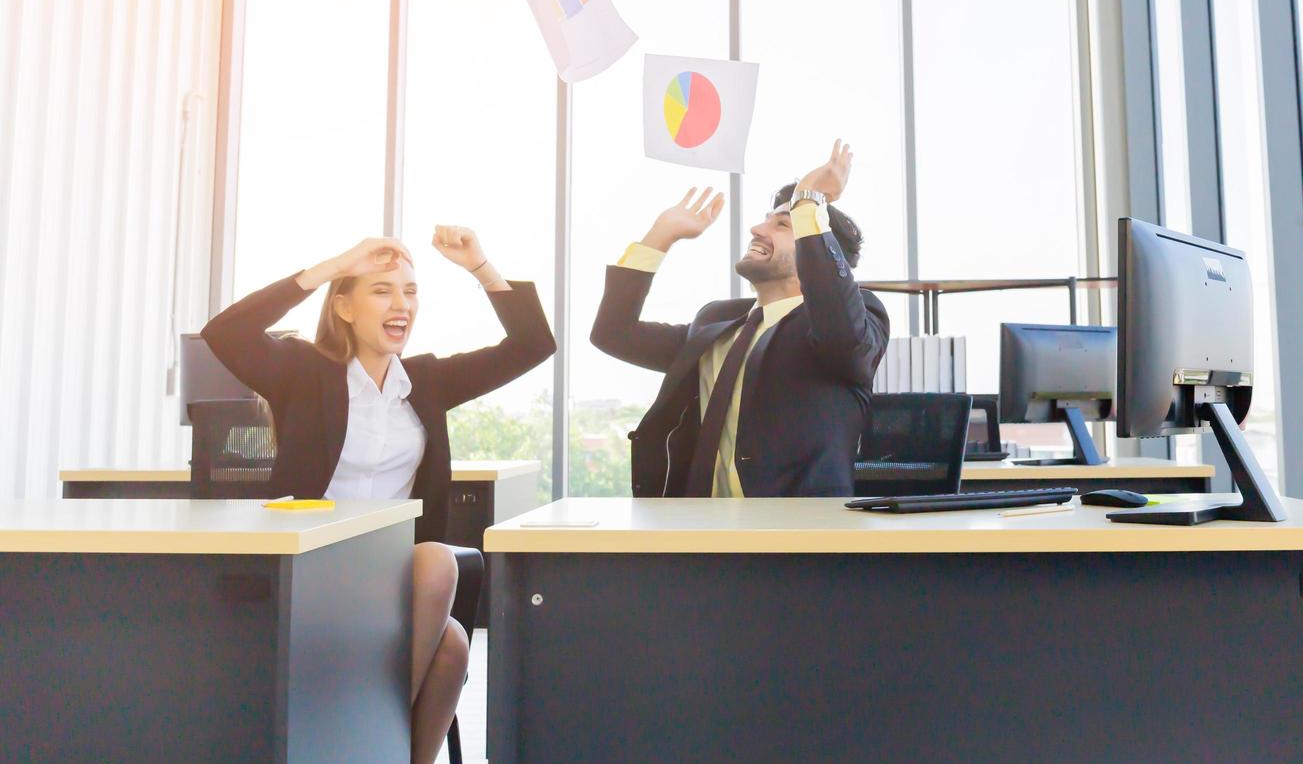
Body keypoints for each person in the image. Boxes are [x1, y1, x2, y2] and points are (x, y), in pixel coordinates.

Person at [201, 228, 554, 763]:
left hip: (392, 577)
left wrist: (480, 265)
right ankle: (362, 742)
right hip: (312, 569)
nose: (402, 305)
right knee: (440, 578)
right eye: (382, 290)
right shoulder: (303, 372)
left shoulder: (427, 382)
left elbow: (533, 345)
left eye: (410, 291)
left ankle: (363, 747)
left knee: (453, 636)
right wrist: (334, 264)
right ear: (343, 307)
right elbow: (224, 332)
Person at [591, 140, 889, 498]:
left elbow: (843, 334)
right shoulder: (716, 320)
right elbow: (613, 333)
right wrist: (660, 236)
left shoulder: (854, 318)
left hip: (797, 538)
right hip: (696, 532)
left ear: (818, 249)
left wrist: (808, 203)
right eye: (767, 220)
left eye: (783, 225)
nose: (758, 230)